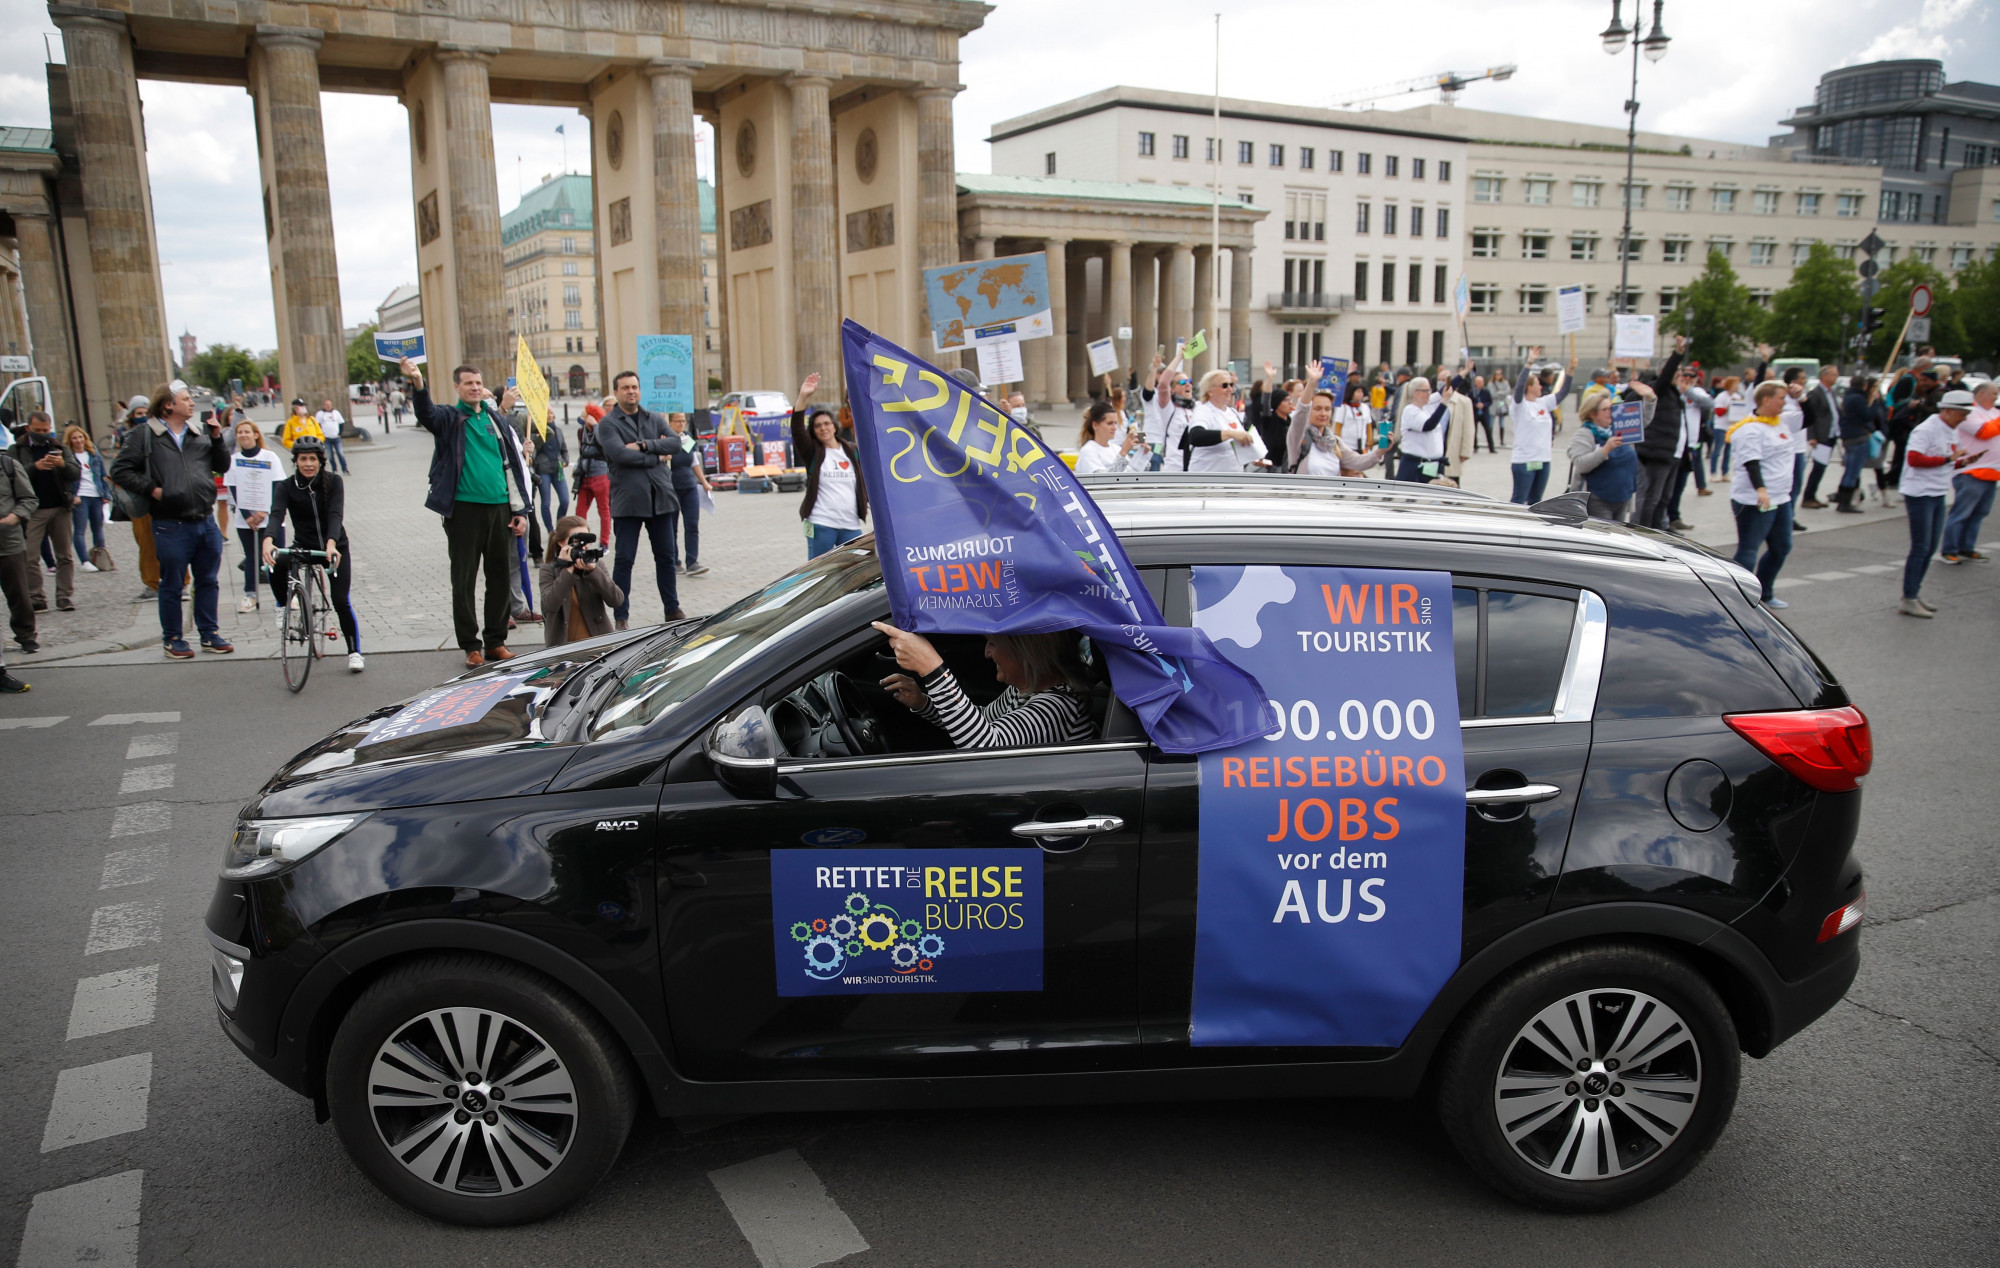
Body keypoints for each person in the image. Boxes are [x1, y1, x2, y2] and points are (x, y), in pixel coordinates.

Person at [401, 355, 534, 668]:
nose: (475, 388)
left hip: (500, 508)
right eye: (468, 383)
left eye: (478, 383)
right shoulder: (449, 418)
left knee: (499, 577)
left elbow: (511, 466)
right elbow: (426, 413)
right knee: (464, 580)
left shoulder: (494, 419)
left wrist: (520, 510)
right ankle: (471, 646)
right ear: (457, 387)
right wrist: (418, 383)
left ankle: (495, 642)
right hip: (464, 510)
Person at [110, 380, 235, 657]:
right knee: (172, 584)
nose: (192, 403)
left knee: (208, 581)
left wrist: (216, 438)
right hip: (170, 524)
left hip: (205, 521)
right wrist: (152, 490)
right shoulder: (144, 435)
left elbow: (222, 466)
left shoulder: (197, 432)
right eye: (186, 398)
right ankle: (173, 639)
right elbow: (119, 470)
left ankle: (209, 634)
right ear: (168, 405)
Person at [874, 621, 1095, 750]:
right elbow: (982, 722)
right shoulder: (1027, 690)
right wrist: (923, 703)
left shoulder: (1057, 706)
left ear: (1026, 652)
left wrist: (933, 669)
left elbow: (986, 746)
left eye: (993, 643)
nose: (987, 653)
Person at [261, 438, 362, 671]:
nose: (308, 464)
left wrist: (331, 544)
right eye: (303, 459)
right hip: (304, 548)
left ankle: (354, 652)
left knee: (340, 600)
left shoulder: (334, 482)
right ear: (296, 461)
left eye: (312, 459)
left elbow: (336, 515)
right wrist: (268, 541)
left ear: (320, 461)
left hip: (334, 549)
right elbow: (276, 515)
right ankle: (282, 603)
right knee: (274, 561)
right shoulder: (286, 487)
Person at [597, 369, 684, 628]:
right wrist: (657, 457)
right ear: (616, 392)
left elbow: (675, 444)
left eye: (634, 387)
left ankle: (672, 608)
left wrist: (645, 445)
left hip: (661, 498)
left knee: (666, 557)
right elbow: (620, 455)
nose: (631, 391)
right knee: (624, 559)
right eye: (625, 388)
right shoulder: (608, 424)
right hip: (629, 501)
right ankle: (621, 616)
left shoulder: (654, 418)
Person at [1726, 381, 1798, 609]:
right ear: (1766, 400)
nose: (1784, 403)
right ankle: (1736, 600)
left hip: (1781, 498)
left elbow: (1814, 419)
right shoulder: (1749, 429)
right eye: (1781, 398)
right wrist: (1761, 489)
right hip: (1755, 499)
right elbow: (1751, 462)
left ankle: (1765, 592)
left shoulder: (1782, 421)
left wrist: (1802, 397)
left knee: (1782, 547)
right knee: (1749, 549)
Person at [790, 372, 869, 559]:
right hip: (821, 523)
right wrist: (803, 397)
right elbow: (797, 430)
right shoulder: (813, 452)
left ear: (834, 426)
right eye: (817, 426)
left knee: (854, 573)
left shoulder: (851, 451)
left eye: (826, 423)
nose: (823, 428)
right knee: (818, 576)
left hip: (850, 525)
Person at [1896, 394, 1959, 616]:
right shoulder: (1926, 429)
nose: (1963, 419)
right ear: (1948, 411)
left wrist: (1962, 461)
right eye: (1961, 414)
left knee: (1931, 547)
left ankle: (1914, 593)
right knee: (1921, 546)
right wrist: (1949, 460)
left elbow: (1947, 456)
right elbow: (1914, 458)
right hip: (1920, 493)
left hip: (1938, 491)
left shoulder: (1951, 429)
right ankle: (1909, 597)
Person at [18, 411, 80, 613]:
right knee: (30, 556)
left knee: (64, 556)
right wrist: (35, 467)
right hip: (33, 510)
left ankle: (64, 596)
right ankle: (36, 597)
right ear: (28, 428)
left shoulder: (59, 447)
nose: (43, 434)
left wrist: (61, 464)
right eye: (38, 430)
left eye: (46, 430)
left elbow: (75, 472)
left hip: (60, 507)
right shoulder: (17, 449)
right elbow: (10, 474)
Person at [1566, 384, 1651, 522]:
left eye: (1611, 408)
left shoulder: (1618, 429)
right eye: (1605, 409)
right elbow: (1581, 464)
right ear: (1592, 414)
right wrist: (1605, 450)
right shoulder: (1584, 434)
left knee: (1617, 539)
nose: (1610, 412)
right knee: (1604, 537)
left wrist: (1650, 399)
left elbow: (1643, 422)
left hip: (1623, 497)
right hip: (1597, 499)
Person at [1631, 337, 1692, 530]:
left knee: (1664, 497)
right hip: (1655, 451)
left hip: (1671, 453)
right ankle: (1644, 530)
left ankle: (1659, 531)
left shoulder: (1674, 393)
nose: (1680, 374)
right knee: (1651, 497)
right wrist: (1677, 354)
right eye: (1677, 371)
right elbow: (1666, 376)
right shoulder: (1659, 388)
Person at [538, 513, 624, 647]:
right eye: (577, 541)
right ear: (561, 542)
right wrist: (567, 571)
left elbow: (617, 599)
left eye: (587, 542)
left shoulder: (596, 565)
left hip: (599, 647)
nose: (583, 547)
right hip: (562, 650)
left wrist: (593, 572)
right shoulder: (549, 569)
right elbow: (549, 605)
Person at [223, 420, 281, 611]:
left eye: (247, 431)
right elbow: (234, 489)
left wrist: (265, 510)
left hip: (270, 517)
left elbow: (277, 486)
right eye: (240, 432)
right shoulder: (233, 460)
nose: (243, 435)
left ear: (256, 434)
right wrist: (249, 515)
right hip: (246, 519)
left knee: (275, 557)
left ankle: (284, 594)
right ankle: (250, 595)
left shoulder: (270, 457)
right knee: (251, 557)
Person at [1940, 383, 1998, 565]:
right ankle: (1949, 550)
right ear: (1981, 393)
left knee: (1979, 513)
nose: (1996, 397)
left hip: (1992, 472)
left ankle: (1967, 547)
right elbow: (1983, 432)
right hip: (1971, 471)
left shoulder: (1994, 413)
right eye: (1994, 393)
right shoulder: (1969, 412)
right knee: (1962, 513)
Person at [1507, 352, 1570, 503]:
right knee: (1519, 500)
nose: (1541, 386)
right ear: (1529, 387)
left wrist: (1571, 372)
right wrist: (1528, 363)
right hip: (1524, 461)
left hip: (1543, 460)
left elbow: (1563, 393)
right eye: (1537, 383)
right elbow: (1519, 389)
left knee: (1536, 501)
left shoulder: (1543, 402)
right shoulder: (1519, 406)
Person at [1176, 368, 1262, 472]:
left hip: (1232, 481)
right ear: (1210, 391)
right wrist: (1231, 434)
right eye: (1224, 386)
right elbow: (1195, 436)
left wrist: (1252, 456)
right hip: (1207, 481)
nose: (1230, 389)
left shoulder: (1233, 413)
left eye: (1231, 385)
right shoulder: (1204, 410)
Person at [1662, 362, 1715, 527]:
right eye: (1684, 375)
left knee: (1680, 484)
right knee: (1666, 486)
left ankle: (1674, 516)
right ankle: (1664, 518)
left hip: (1690, 446)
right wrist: (1680, 390)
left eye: (1691, 376)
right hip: (1673, 445)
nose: (1687, 379)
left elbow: (1709, 404)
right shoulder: (1672, 391)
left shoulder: (1696, 392)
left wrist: (1688, 391)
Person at [1291, 388, 1387, 477]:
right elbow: (1301, 412)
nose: (1323, 414)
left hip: (1330, 495)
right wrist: (1312, 382)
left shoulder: (1334, 442)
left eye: (1327, 409)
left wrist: (1380, 451)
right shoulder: (1298, 437)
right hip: (1305, 495)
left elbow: (1358, 462)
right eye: (1317, 409)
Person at [0, 446, 39, 654]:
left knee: (19, 594)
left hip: (8, 542)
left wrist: (15, 516)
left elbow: (30, 499)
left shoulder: (8, 466)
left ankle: (26, 636)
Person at [666, 411, 710, 576]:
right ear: (669, 422)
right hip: (671, 487)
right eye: (677, 421)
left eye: (683, 421)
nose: (680, 424)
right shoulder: (665, 440)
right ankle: (674, 561)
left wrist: (704, 482)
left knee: (692, 524)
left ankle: (692, 561)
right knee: (671, 527)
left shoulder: (686, 438)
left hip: (689, 486)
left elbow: (694, 462)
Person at [1834, 375, 1884, 514]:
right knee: (1853, 472)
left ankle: (1842, 499)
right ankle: (1845, 503)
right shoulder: (1858, 399)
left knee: (1849, 470)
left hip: (1849, 437)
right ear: (1864, 386)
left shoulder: (1847, 397)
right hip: (1858, 436)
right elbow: (1867, 415)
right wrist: (1874, 402)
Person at [64, 425, 110, 571]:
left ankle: (100, 557)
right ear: (70, 441)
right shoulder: (68, 456)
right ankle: (85, 561)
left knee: (98, 528)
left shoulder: (94, 453)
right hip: (80, 496)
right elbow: (65, 480)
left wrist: (106, 494)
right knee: (80, 530)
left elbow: (103, 475)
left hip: (95, 494)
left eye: (80, 437)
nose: (78, 440)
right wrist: (72, 496)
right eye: (75, 438)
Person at [1798, 366, 1843, 509]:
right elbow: (1810, 416)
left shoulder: (1831, 392)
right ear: (1824, 376)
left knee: (1821, 468)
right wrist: (1812, 436)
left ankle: (1812, 496)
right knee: (1818, 468)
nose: (1836, 377)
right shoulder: (1816, 393)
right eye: (1834, 374)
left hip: (1831, 434)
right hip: (1821, 436)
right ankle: (1808, 497)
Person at [1393, 376, 1452, 484]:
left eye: (1429, 390)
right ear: (1415, 392)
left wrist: (1465, 372)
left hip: (1430, 465)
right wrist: (1444, 402)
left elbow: (1444, 390)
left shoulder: (1426, 407)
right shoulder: (1410, 410)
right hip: (1415, 466)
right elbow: (1428, 425)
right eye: (1425, 391)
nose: (1428, 393)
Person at [1075, 400, 1149, 474]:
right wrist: (1123, 452)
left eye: (1115, 423)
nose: (1114, 428)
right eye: (1110, 423)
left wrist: (1142, 456)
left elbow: (1132, 475)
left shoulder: (1116, 448)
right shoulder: (1088, 451)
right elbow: (1103, 481)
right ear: (1095, 425)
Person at [573, 402, 611, 541]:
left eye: (584, 414)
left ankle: (604, 541)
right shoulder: (582, 431)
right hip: (585, 475)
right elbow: (582, 451)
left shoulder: (602, 430)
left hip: (600, 476)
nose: (581, 417)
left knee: (603, 510)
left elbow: (604, 444)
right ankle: (581, 539)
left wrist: (595, 426)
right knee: (580, 511)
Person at [531, 414, 570, 532]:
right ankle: (550, 529)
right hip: (543, 471)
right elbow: (533, 452)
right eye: (547, 414)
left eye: (552, 414)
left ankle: (560, 524)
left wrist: (565, 460)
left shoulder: (558, 430)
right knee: (546, 503)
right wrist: (537, 437)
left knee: (565, 500)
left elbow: (564, 449)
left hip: (558, 470)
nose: (549, 416)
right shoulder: (537, 432)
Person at [315, 398, 351, 473]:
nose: (328, 406)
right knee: (330, 455)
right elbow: (317, 425)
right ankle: (334, 469)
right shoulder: (320, 414)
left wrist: (340, 433)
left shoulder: (336, 413)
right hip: (326, 438)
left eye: (329, 405)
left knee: (340, 453)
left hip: (336, 437)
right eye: (326, 405)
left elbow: (341, 423)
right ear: (323, 405)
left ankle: (344, 468)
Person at [1471, 375, 1496, 452]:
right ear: (1475, 383)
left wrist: (1484, 405)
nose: (1481, 384)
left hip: (1484, 413)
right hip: (1475, 413)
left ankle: (1491, 448)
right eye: (1479, 382)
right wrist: (1475, 405)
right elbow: (1469, 401)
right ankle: (1475, 446)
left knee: (1488, 430)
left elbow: (1490, 401)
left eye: (1482, 382)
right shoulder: (1472, 391)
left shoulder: (1486, 391)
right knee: (1474, 431)